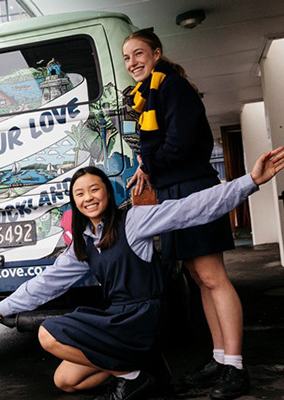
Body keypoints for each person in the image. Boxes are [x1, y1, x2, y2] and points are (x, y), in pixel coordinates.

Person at [0, 147, 284, 400]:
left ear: (107, 192)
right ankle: (140, 368)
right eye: (80, 194)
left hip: (146, 316)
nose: (89, 197)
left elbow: (190, 208)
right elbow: (45, 284)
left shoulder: (133, 221)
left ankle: (131, 375)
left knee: (47, 333)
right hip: (117, 318)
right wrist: (2, 307)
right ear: (74, 203)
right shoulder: (84, 243)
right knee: (65, 381)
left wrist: (250, 182)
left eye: (95, 189)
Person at [122, 28, 252, 399]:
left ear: (157, 53)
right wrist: (147, 168)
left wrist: (151, 164)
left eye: (139, 54)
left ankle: (236, 367)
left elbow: (178, 146)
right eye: (127, 57)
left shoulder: (172, 87)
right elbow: (163, 149)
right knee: (199, 279)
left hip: (194, 189)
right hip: (174, 193)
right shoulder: (150, 94)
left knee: (214, 277)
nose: (133, 62)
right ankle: (220, 357)